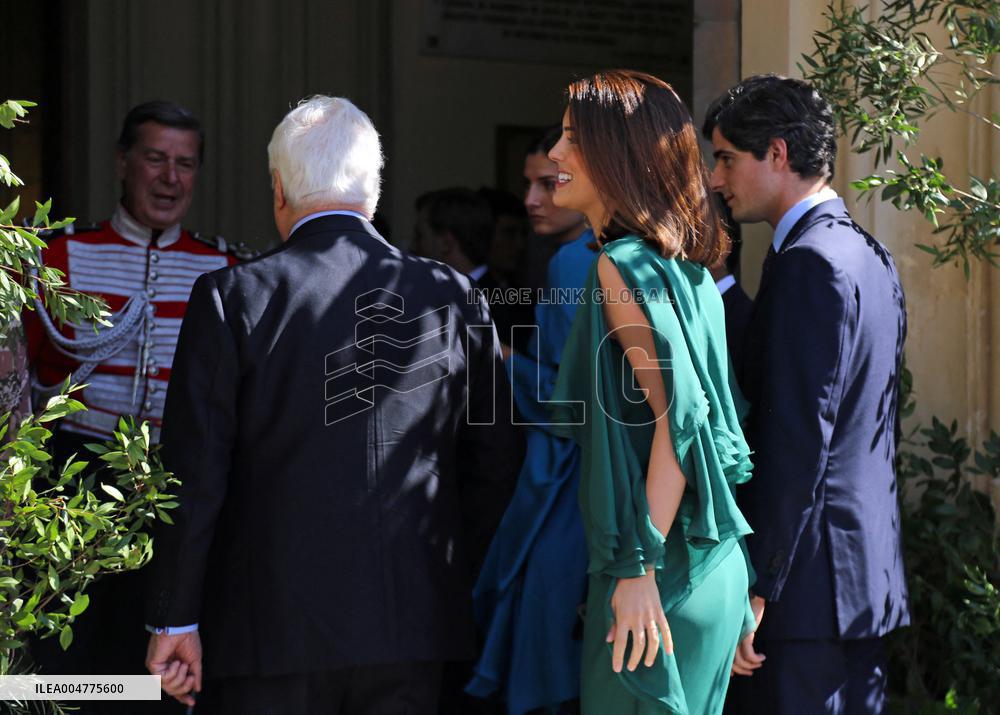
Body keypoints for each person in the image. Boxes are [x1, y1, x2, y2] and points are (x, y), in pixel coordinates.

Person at [143, 95, 522, 714]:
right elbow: (497, 461)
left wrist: (174, 618)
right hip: (412, 626)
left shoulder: (231, 298)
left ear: (278, 190)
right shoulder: (455, 297)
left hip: (265, 632)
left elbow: (195, 474)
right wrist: (440, 567)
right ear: (373, 190)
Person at [547, 70, 756, 715]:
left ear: (619, 154)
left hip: (658, 571)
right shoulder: (688, 269)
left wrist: (637, 565)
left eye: (572, 139)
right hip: (705, 564)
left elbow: (684, 420)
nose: (555, 155)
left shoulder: (621, 264)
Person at [23, 101, 245, 703]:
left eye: (185, 164)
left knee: (156, 643)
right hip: (73, 472)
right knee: (68, 644)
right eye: (155, 159)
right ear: (124, 163)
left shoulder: (226, 267)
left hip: (174, 482)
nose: (170, 178)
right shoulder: (59, 253)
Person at [704, 75, 909, 714]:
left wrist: (759, 586)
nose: (715, 179)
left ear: (778, 154)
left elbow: (798, 437)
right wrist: (719, 287)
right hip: (859, 585)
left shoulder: (808, 261)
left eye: (726, 158)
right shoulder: (867, 253)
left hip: (807, 595)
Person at [466, 127, 596, 715]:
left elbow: (573, 404)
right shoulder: (635, 253)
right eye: (529, 184)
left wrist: (501, 359)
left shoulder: (578, 261)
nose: (530, 200)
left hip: (572, 493)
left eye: (550, 183)